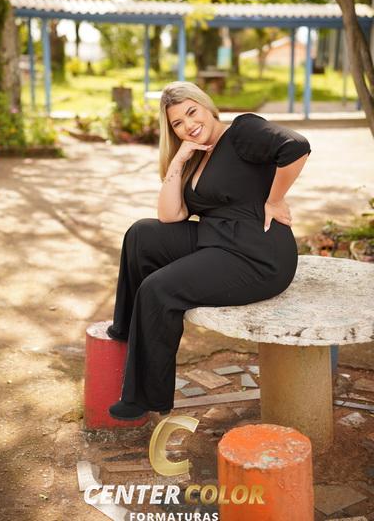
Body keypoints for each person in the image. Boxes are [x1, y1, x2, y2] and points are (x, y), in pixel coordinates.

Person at [107, 81, 311, 421]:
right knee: (142, 235)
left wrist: (275, 199)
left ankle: (145, 396)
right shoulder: (197, 154)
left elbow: (296, 146)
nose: (188, 125)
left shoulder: (242, 131)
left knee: (159, 288)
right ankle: (130, 329)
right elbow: (170, 215)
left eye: (192, 112)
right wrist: (179, 159)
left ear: (207, 107)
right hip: (217, 239)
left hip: (258, 254)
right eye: (177, 123)